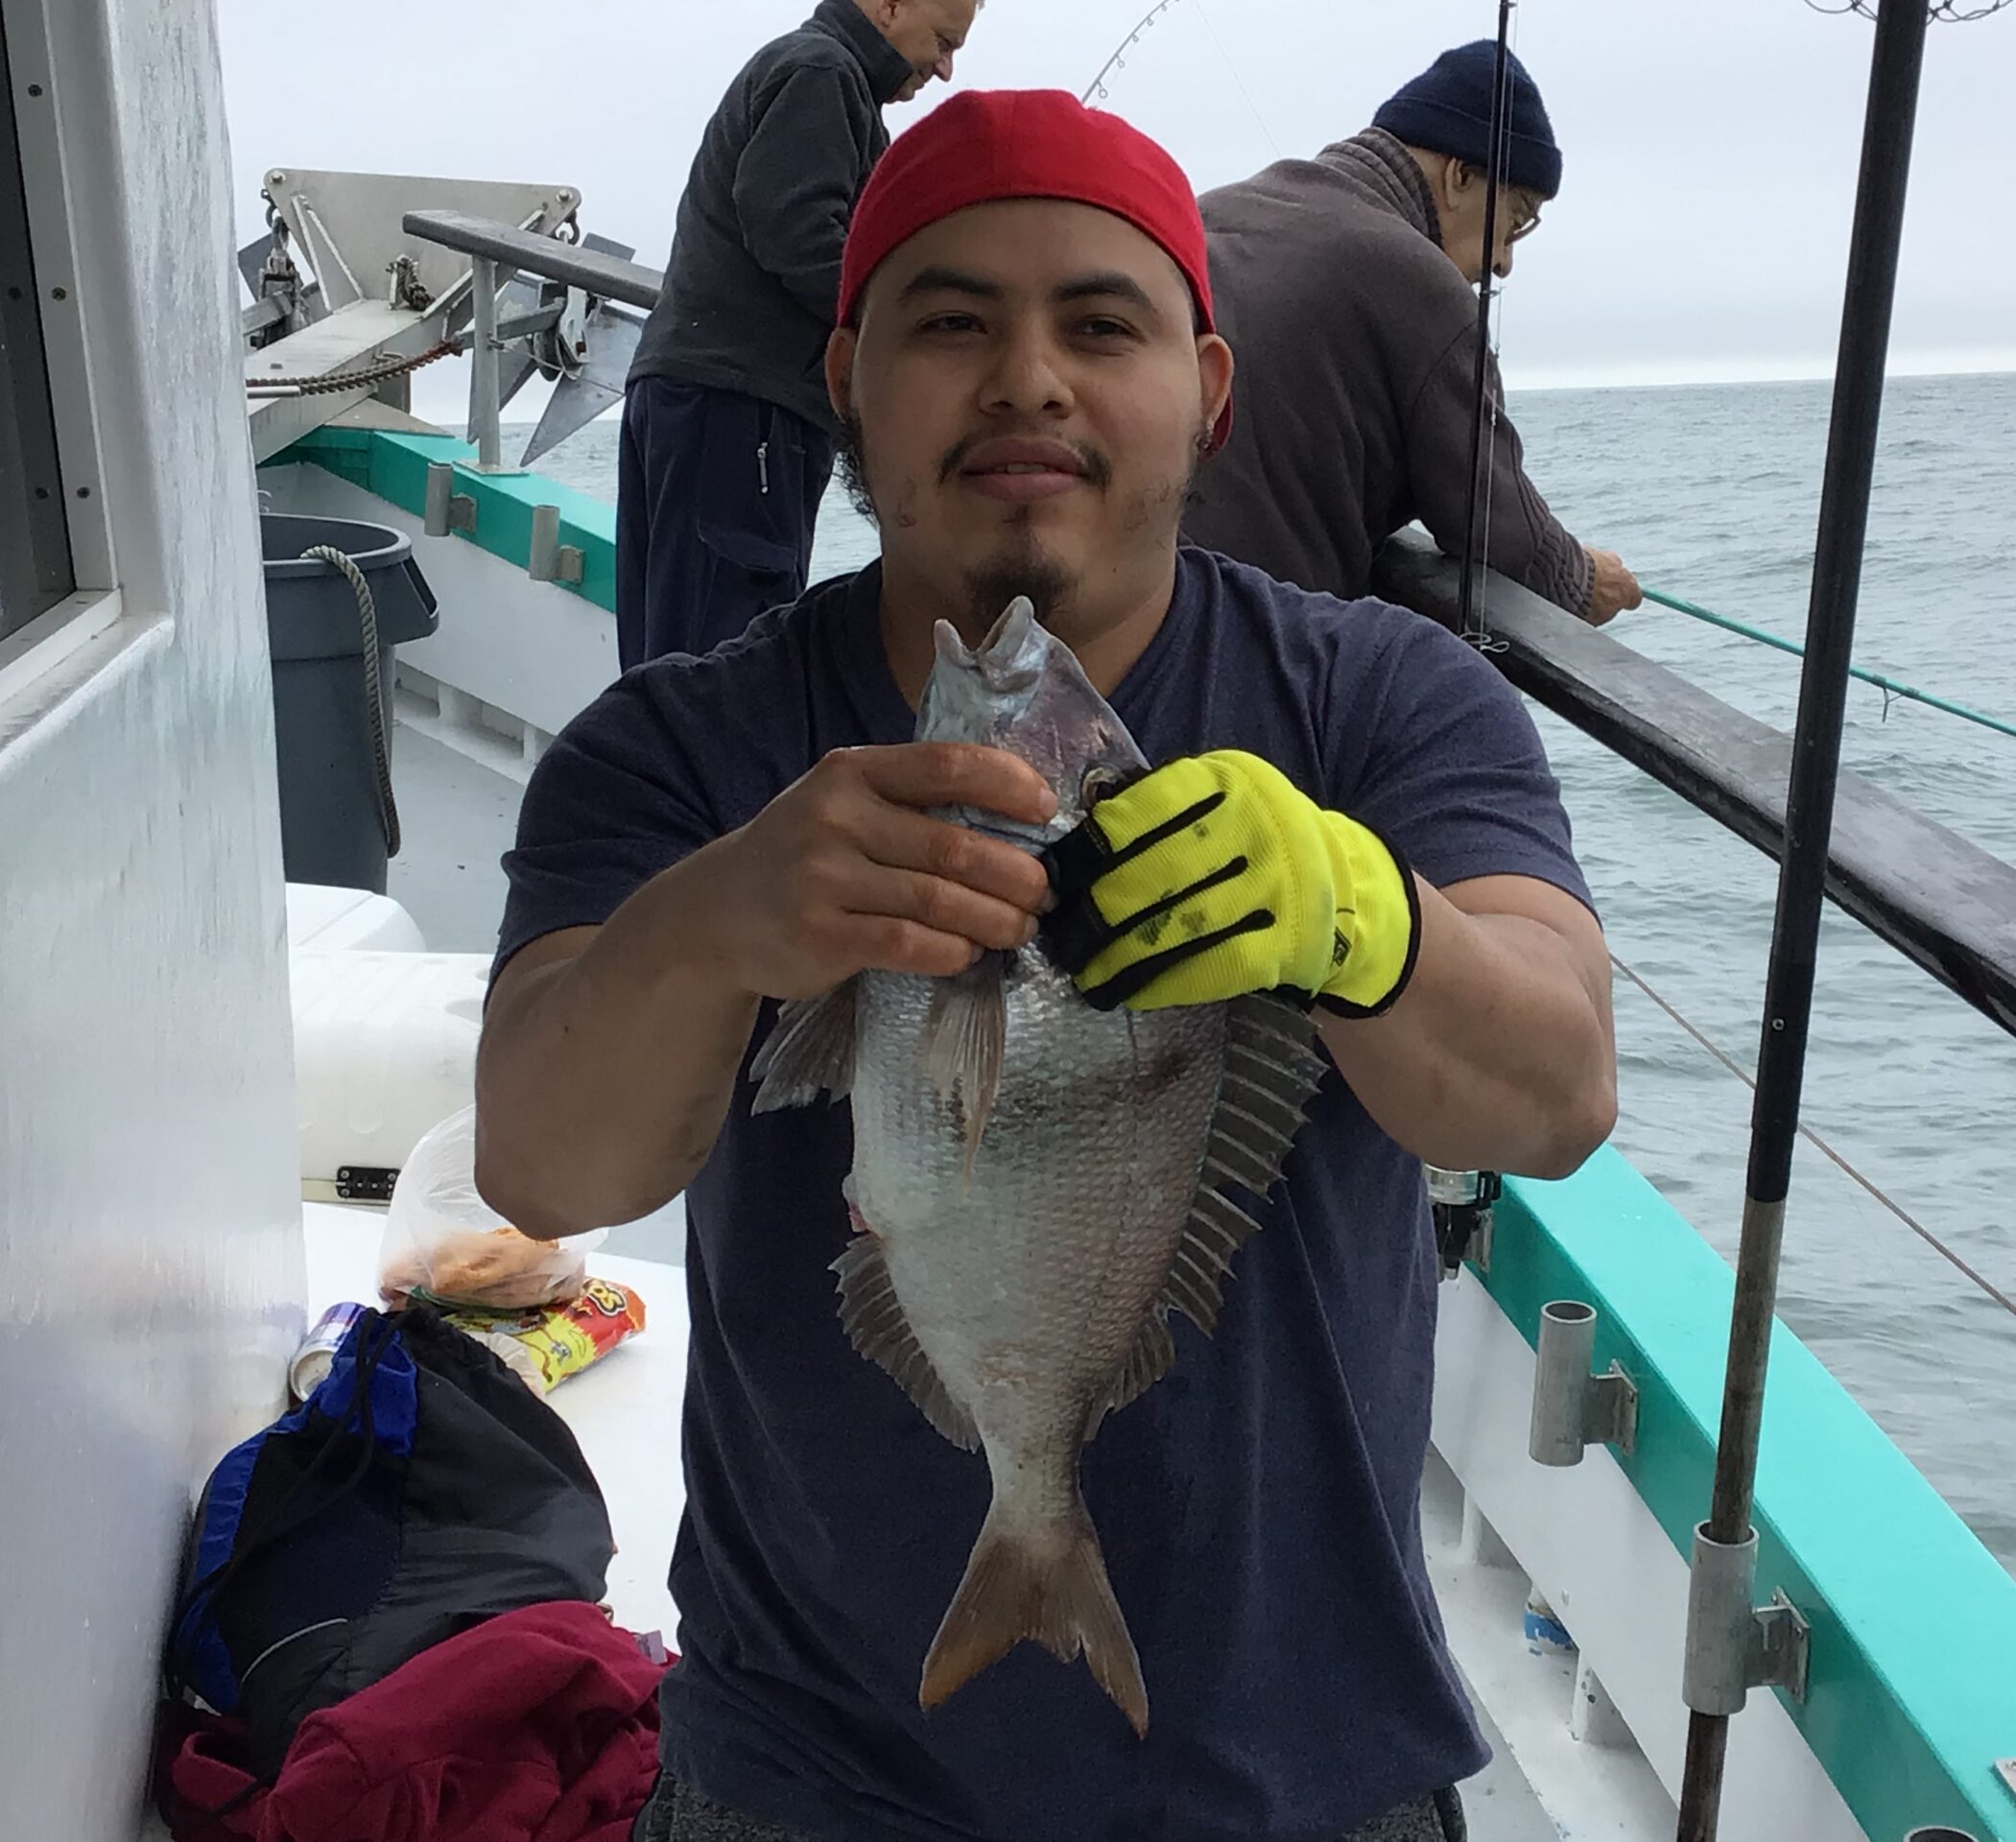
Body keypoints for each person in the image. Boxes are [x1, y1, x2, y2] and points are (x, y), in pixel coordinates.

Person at [476, 87, 1618, 1842]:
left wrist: (1367, 920)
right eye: (952, 324)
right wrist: (716, 924)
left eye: (1102, 323)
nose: (1028, 378)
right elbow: (551, 1169)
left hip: (1310, 1778)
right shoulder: (678, 750)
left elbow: (1554, 1095)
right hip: (806, 1781)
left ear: (1208, 392)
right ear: (846, 377)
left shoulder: (1384, 700)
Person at [1182, 40, 1642, 626]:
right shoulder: (1421, 283)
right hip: (1243, 642)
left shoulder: (1210, 215)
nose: (1503, 262)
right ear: (1459, 177)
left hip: (1107, 624)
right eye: (1515, 222)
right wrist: (1582, 579)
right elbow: (1496, 530)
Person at [615, 0, 981, 670]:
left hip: (700, 399)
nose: (946, 68)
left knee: (668, 649)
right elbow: (795, 230)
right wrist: (906, 332)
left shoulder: (817, 75)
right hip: (743, 411)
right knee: (723, 665)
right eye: (943, 41)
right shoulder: (821, 72)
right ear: (889, 6)